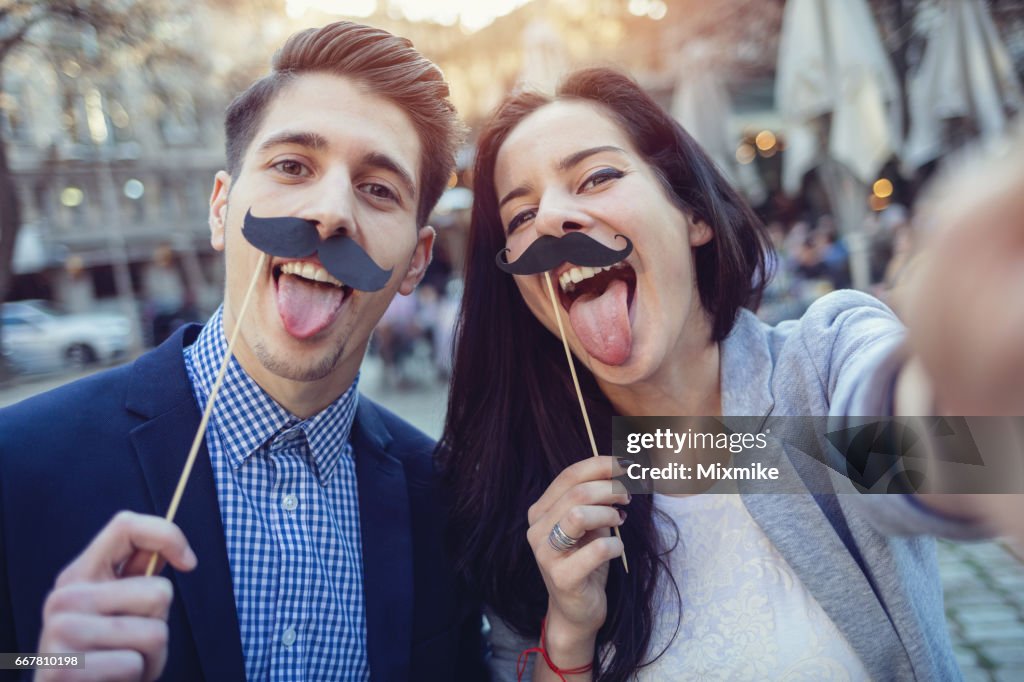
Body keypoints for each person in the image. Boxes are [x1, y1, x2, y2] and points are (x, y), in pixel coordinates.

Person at [439, 67, 1023, 681]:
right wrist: (568, 632)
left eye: (597, 177)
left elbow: (954, 454)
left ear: (694, 215)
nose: (552, 218)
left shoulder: (822, 362)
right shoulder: (524, 489)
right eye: (520, 215)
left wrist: (974, 368)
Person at [0, 21, 486, 681]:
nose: (329, 213)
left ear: (414, 262)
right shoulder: (18, 461)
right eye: (292, 166)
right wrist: (44, 662)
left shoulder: (444, 495)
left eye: (378, 189)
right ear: (221, 209)